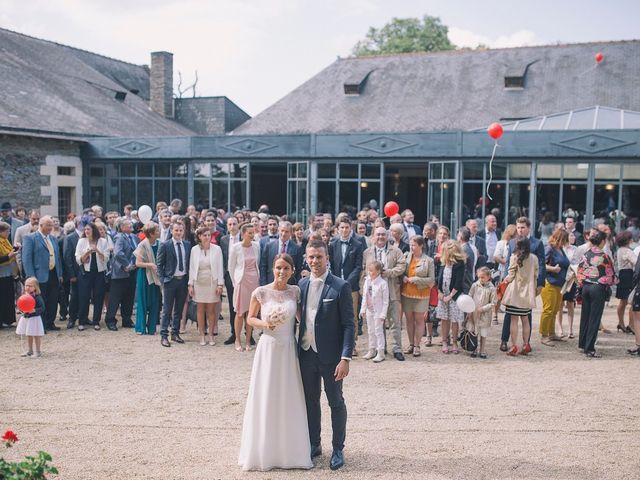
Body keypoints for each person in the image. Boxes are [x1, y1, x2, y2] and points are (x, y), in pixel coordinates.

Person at [238, 254, 313, 471]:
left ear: (292, 271)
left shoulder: (295, 291)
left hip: (289, 349)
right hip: (268, 348)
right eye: (279, 268)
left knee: (289, 395)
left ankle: (291, 451)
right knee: (266, 394)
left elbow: (301, 317)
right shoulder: (260, 292)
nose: (282, 272)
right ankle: (264, 450)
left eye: (286, 268)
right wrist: (264, 323)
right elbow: (250, 318)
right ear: (273, 268)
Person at [298, 239, 354, 470]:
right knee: (310, 401)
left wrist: (345, 358)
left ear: (327, 258)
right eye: (311, 257)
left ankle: (338, 448)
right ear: (306, 258)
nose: (315, 261)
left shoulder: (340, 286)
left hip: (331, 358)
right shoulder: (300, 285)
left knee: (335, 402)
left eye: (319, 257)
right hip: (306, 353)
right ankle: (314, 443)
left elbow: (350, 325)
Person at [499, 217, 546, 352]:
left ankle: (521, 344)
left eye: (522, 227)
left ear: (529, 227)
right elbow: (508, 261)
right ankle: (505, 340)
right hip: (522, 287)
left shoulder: (537, 243)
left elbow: (542, 266)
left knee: (521, 316)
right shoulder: (512, 242)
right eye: (518, 227)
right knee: (517, 317)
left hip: (521, 286)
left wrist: (540, 284)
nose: (520, 230)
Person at [362, 227, 407, 361]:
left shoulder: (396, 251)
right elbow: (364, 270)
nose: (380, 237)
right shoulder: (367, 252)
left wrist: (389, 272)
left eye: (383, 234)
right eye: (378, 234)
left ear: (387, 236)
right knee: (375, 323)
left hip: (391, 289)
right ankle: (379, 348)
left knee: (394, 321)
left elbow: (402, 266)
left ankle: (397, 348)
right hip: (374, 294)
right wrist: (363, 288)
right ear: (373, 236)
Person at [577, 230, 616, 358]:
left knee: (585, 316)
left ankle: (582, 344)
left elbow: (580, 271)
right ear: (603, 241)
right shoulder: (604, 256)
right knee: (594, 318)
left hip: (586, 287)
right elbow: (610, 276)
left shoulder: (586, 254)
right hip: (597, 288)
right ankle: (590, 349)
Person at [21, 216, 63, 331]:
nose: (51, 227)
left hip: (53, 274)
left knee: (53, 300)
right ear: (41, 225)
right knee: (41, 301)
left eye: (52, 225)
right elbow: (26, 259)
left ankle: (50, 322)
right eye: (48, 225)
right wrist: (31, 277)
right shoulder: (30, 238)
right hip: (38, 276)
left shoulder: (53, 239)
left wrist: (60, 274)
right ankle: (41, 325)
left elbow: (58, 258)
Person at [329, 219, 364, 355]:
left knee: (352, 315)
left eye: (347, 227)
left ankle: (352, 345)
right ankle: (337, 343)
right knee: (336, 314)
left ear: (351, 228)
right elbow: (330, 263)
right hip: (335, 284)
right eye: (342, 227)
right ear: (338, 229)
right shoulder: (333, 244)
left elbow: (358, 266)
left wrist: (347, 282)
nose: (344, 230)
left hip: (351, 286)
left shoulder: (358, 244)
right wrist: (336, 281)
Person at [157, 222, 191, 347]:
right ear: (171, 231)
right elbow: (159, 264)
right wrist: (163, 280)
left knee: (179, 309)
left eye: (181, 230)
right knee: (167, 310)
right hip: (170, 281)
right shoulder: (165, 245)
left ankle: (175, 333)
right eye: (176, 230)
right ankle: (164, 335)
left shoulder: (187, 245)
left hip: (182, 280)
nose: (178, 232)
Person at [502, 237, 539, 356]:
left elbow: (511, 275)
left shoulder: (514, 257)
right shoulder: (534, 258)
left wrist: (503, 282)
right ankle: (526, 344)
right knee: (525, 319)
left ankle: (513, 346)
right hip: (527, 293)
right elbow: (536, 274)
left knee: (513, 319)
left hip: (515, 293)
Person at [188, 226, 224, 346]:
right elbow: (192, 268)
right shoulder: (194, 250)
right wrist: (190, 284)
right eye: (205, 235)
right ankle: (202, 335)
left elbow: (220, 267)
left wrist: (220, 284)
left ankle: (210, 335)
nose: (207, 237)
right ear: (199, 237)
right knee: (200, 309)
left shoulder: (217, 249)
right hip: (198, 283)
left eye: (209, 235)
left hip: (212, 283)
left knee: (211, 310)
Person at [229, 223, 261, 352]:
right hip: (241, 281)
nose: (252, 235)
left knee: (251, 312)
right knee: (240, 312)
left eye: (253, 233)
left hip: (254, 281)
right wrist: (235, 282)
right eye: (249, 233)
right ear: (243, 234)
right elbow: (231, 267)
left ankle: (248, 340)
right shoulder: (235, 248)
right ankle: (237, 339)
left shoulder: (257, 246)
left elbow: (257, 264)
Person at [401, 236, 435, 354]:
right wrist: (403, 277)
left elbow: (431, 280)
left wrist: (417, 279)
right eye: (411, 245)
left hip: (421, 294)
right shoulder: (406, 257)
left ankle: (417, 345)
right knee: (409, 320)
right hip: (406, 293)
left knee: (419, 320)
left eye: (414, 245)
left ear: (421, 246)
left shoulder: (428, 260)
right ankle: (411, 344)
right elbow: (400, 271)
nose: (411, 247)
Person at [75, 222, 109, 330]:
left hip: (99, 273)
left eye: (88, 229)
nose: (86, 232)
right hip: (85, 273)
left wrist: (97, 250)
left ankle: (96, 321)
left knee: (98, 297)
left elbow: (106, 258)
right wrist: (87, 252)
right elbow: (78, 258)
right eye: (85, 230)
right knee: (84, 297)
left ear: (94, 230)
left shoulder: (103, 241)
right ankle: (82, 320)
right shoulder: (81, 241)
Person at [539, 229, 571, 347]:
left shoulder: (560, 249)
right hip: (550, 283)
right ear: (559, 238)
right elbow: (541, 264)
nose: (565, 242)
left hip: (559, 284)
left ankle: (551, 333)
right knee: (548, 310)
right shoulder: (549, 248)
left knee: (555, 310)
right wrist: (553, 269)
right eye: (564, 240)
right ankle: (544, 335)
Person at [105, 218, 138, 331]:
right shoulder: (119, 237)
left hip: (132, 271)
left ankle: (127, 319)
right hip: (120, 272)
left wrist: (134, 264)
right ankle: (110, 320)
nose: (131, 225)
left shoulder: (134, 237)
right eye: (128, 224)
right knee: (115, 298)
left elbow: (137, 252)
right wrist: (127, 264)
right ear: (122, 227)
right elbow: (118, 253)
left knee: (129, 297)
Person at [436, 240, 466, 354]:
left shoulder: (459, 264)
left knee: (454, 320)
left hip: (454, 296)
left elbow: (459, 282)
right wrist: (439, 292)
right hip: (443, 295)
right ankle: (444, 341)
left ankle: (454, 342)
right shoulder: (442, 263)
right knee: (444, 319)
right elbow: (438, 279)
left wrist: (451, 295)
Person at [133, 222, 162, 335]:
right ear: (151, 233)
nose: (159, 232)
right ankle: (140, 328)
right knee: (143, 301)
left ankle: (152, 328)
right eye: (157, 231)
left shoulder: (160, 244)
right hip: (144, 276)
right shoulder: (142, 245)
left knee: (155, 301)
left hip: (156, 276)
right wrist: (150, 265)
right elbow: (138, 263)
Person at [359, 261, 389, 362]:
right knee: (370, 331)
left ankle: (380, 352)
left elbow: (385, 301)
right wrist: (363, 309)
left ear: (378, 271)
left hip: (378, 311)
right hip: (369, 310)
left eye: (372, 271)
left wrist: (383, 314)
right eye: (368, 270)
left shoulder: (383, 283)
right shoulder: (367, 281)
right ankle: (371, 350)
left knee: (378, 332)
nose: (369, 272)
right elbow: (364, 296)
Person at [260, 221, 303, 286]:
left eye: (286, 232)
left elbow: (298, 269)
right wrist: (263, 284)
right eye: (282, 231)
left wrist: (296, 285)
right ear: (278, 231)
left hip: (289, 284)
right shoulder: (269, 246)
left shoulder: (297, 248)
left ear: (291, 233)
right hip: (270, 283)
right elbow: (263, 266)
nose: (283, 234)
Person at [219, 216, 241, 345]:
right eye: (230, 224)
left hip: (242, 275)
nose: (232, 226)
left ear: (238, 225)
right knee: (233, 305)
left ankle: (247, 332)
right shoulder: (224, 240)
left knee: (244, 305)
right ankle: (234, 332)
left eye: (234, 224)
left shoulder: (244, 238)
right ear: (227, 226)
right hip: (229, 275)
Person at [468, 267, 497, 358]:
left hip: (485, 314)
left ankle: (482, 350)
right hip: (474, 313)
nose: (481, 279)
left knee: (483, 332)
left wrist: (484, 308)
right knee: (474, 331)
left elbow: (493, 303)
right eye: (479, 277)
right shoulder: (474, 285)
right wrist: (469, 310)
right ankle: (474, 348)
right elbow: (469, 296)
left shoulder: (492, 288)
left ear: (488, 277)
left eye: (483, 277)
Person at [15, 277, 45, 357]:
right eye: (26, 285)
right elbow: (20, 305)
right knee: (28, 335)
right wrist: (22, 310)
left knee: (36, 335)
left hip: (34, 318)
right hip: (26, 318)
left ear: (35, 287)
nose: (27, 287)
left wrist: (34, 310)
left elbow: (42, 308)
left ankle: (38, 351)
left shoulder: (37, 297)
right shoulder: (24, 296)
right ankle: (30, 351)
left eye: (30, 286)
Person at [614, 231, 637, 334]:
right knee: (632, 301)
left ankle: (621, 322)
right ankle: (631, 325)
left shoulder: (619, 250)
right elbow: (636, 262)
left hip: (622, 274)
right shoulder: (628, 251)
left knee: (622, 302)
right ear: (628, 240)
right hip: (628, 275)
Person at [0, 221, 19, 327]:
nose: (9, 233)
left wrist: (16, 249)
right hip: (1, 274)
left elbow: (10, 251)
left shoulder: (5, 240)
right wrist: (9, 256)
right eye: (7, 231)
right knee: (2, 298)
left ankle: (8, 320)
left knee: (8, 297)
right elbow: (5, 256)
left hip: (8, 273)